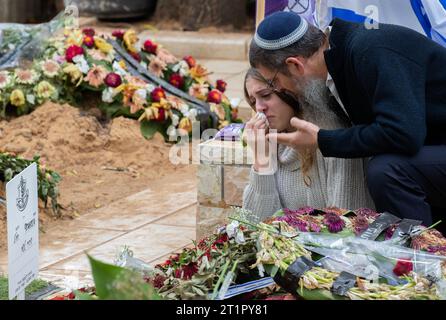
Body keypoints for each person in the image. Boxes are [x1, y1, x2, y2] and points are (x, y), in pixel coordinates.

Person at [249, 11, 446, 226]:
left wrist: (322, 140)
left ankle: (420, 255)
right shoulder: (338, 62)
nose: (280, 90)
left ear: (295, 65)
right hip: (434, 154)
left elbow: (403, 134)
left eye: (274, 82)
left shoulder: (371, 49)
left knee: (387, 170)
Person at [242, 67, 374, 221]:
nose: (259, 107)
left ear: (287, 89)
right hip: (287, 243)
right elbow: (254, 224)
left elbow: (349, 223)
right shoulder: (270, 143)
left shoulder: (330, 135)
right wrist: (261, 160)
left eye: (266, 95)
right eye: (253, 101)